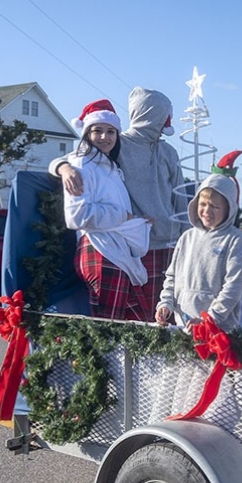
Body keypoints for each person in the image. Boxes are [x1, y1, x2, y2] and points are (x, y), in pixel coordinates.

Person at [51, 87, 187, 313]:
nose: (165, 121)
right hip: (134, 242)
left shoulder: (169, 152)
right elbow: (75, 158)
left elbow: (180, 199)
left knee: (162, 314)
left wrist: (185, 238)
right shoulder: (117, 141)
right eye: (162, 115)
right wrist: (63, 168)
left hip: (169, 244)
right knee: (136, 315)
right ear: (149, 113)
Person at [63, 99, 151, 320]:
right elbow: (76, 216)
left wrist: (136, 221)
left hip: (115, 252)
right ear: (86, 134)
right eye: (98, 131)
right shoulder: (81, 165)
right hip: (99, 250)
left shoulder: (111, 168)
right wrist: (124, 217)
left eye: (111, 131)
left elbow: (113, 211)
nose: (105, 137)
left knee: (137, 324)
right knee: (108, 329)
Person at [155, 154, 242, 333]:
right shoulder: (187, 237)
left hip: (219, 330)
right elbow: (172, 277)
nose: (207, 211)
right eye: (203, 204)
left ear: (229, 209)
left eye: (214, 206)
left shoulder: (236, 240)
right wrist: (166, 303)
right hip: (183, 326)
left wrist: (210, 319)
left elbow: (234, 285)